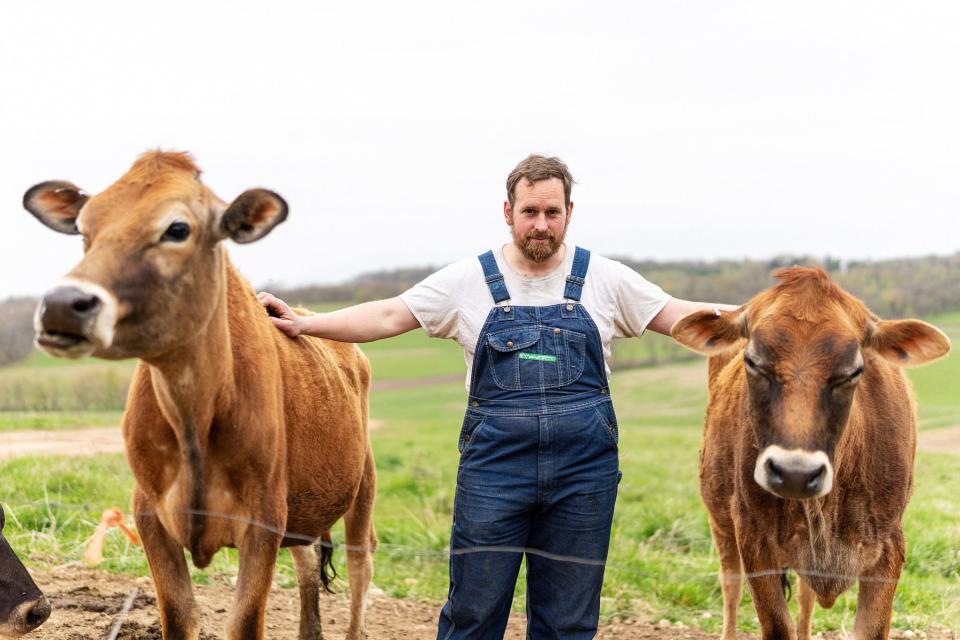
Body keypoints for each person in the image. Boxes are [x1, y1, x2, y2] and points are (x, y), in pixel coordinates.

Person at [258, 155, 735, 639]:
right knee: (473, 614)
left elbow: (677, 314)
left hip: (583, 475)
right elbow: (387, 317)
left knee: (568, 622)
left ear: (570, 211)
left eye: (552, 212)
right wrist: (305, 324)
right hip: (495, 472)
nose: (541, 225)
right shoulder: (468, 280)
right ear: (508, 212)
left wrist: (761, 313)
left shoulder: (605, 279)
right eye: (530, 212)